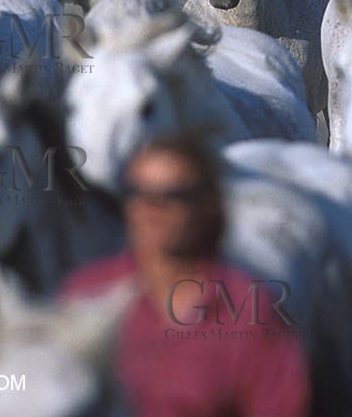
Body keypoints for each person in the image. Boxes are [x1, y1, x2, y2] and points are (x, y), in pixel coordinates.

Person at [59, 137, 310, 417]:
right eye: (138, 193)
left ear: (206, 207)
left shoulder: (248, 313)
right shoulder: (85, 294)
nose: (151, 209)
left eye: (172, 196)